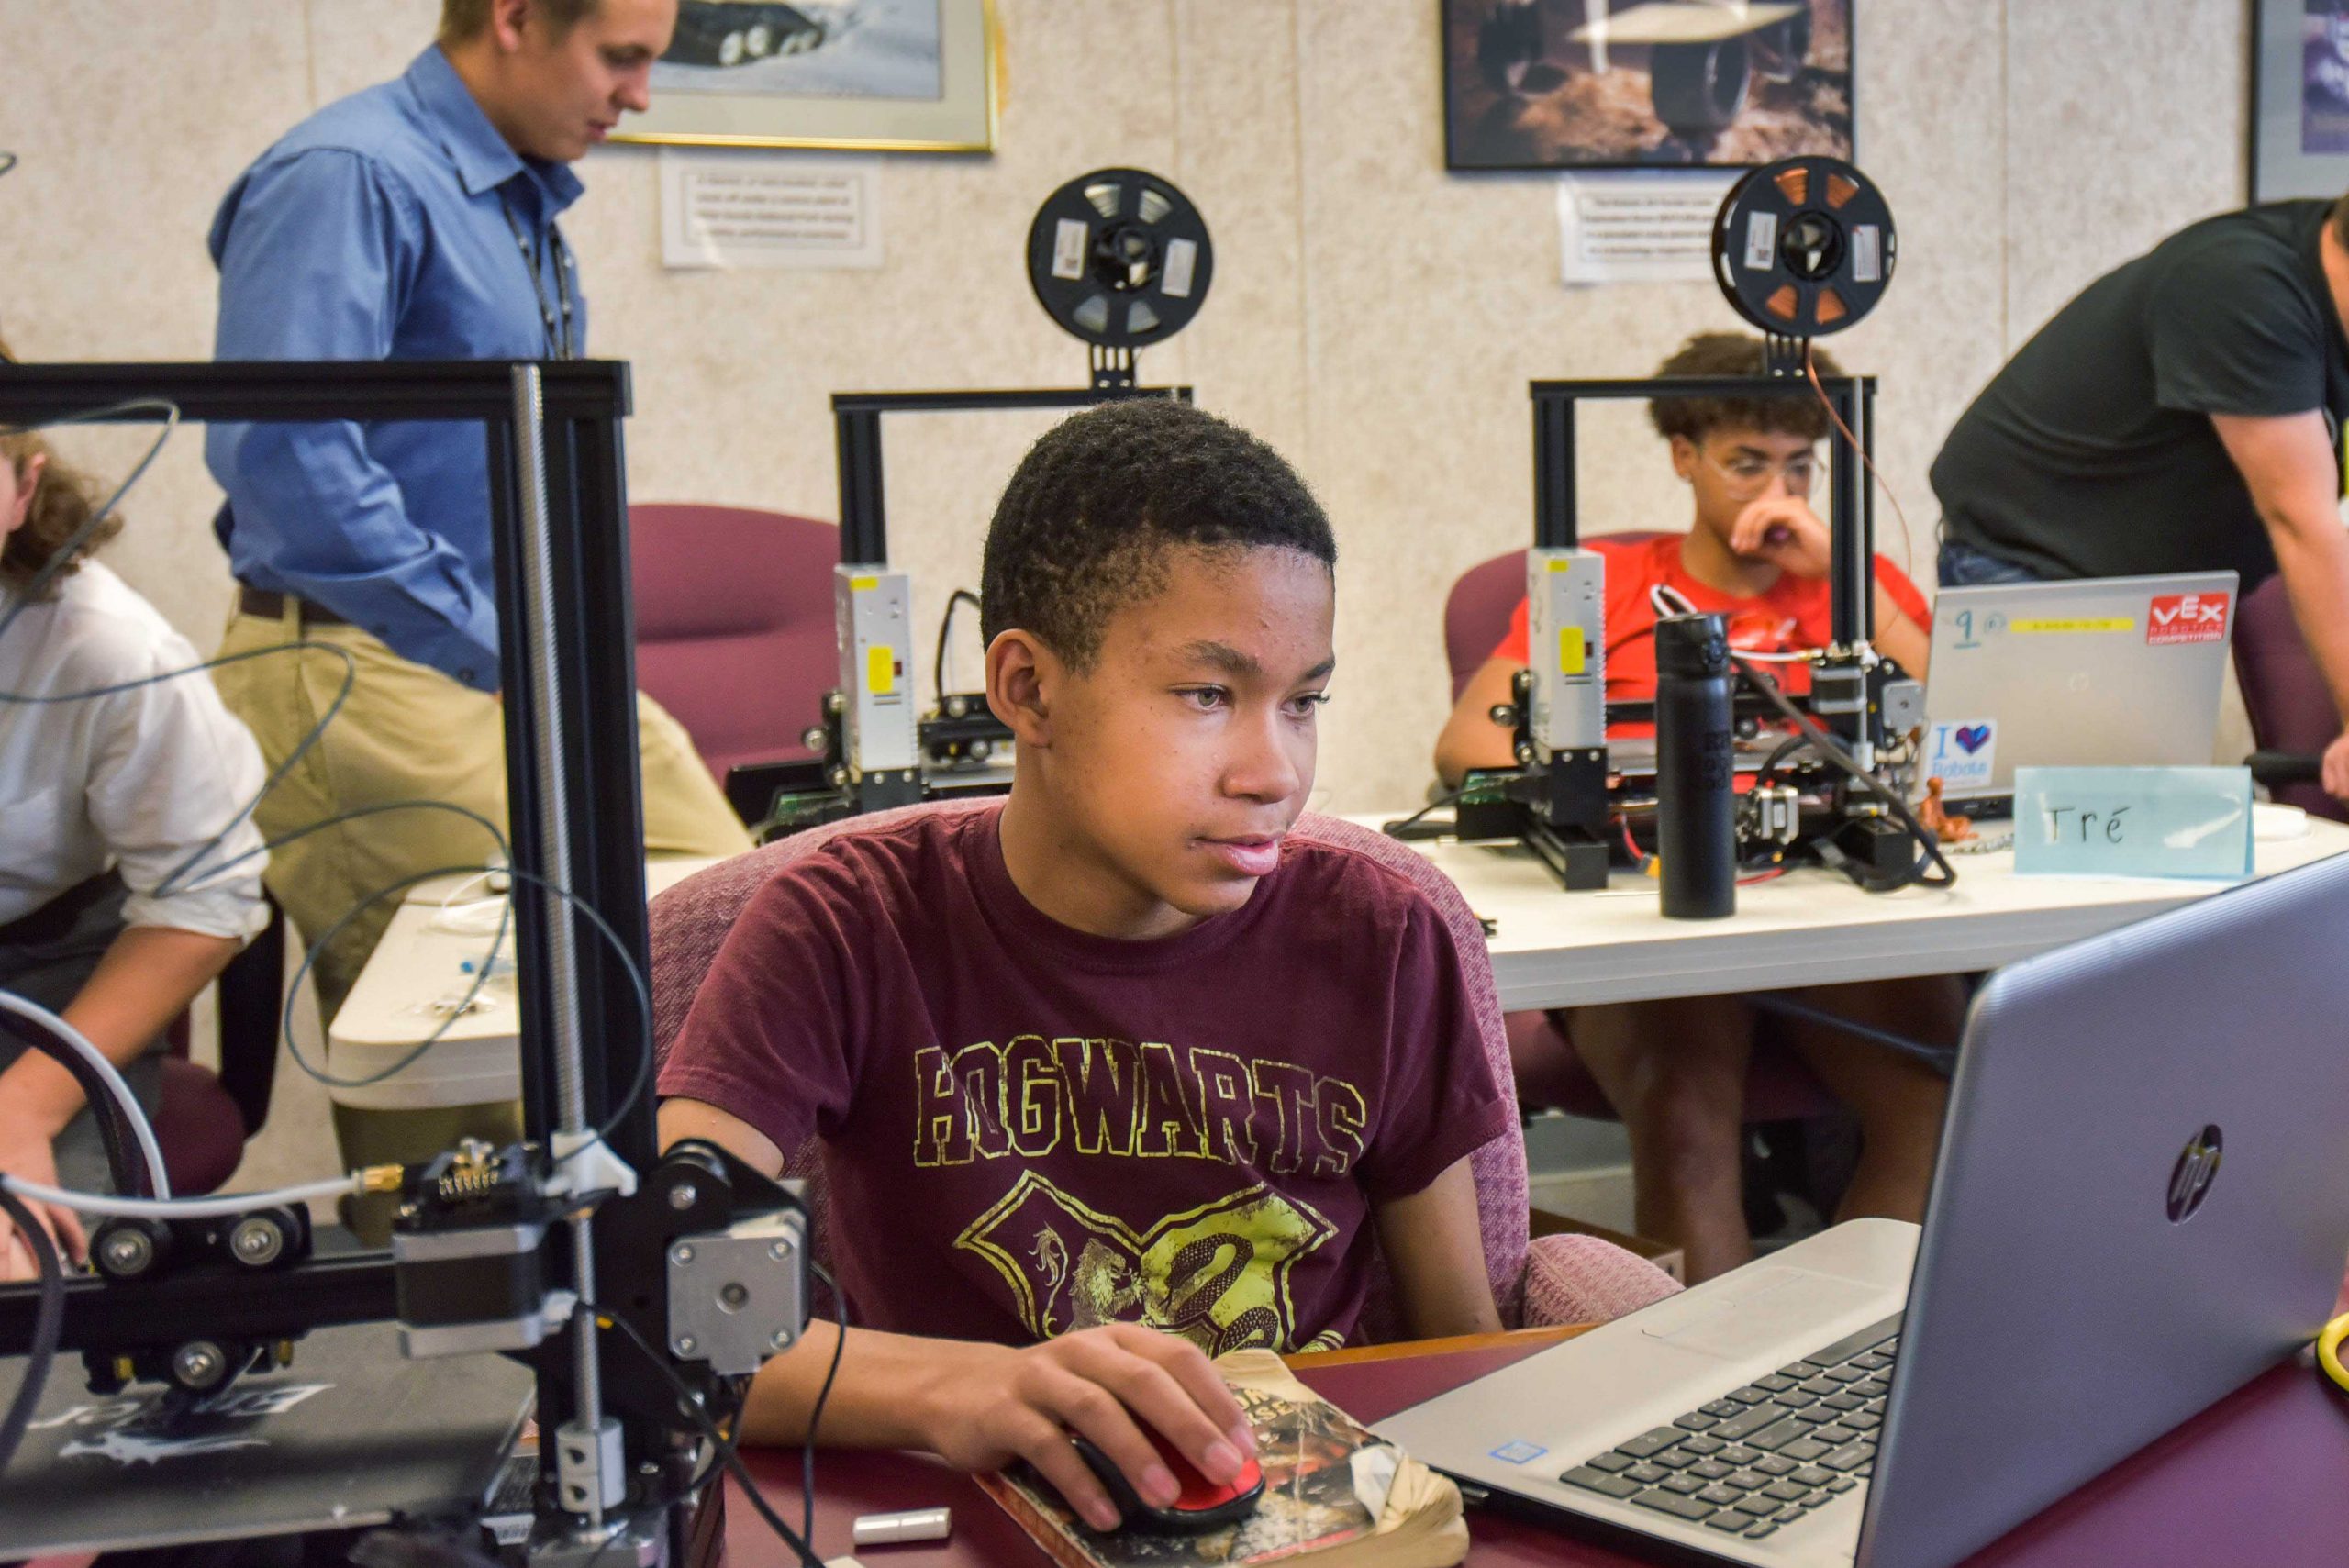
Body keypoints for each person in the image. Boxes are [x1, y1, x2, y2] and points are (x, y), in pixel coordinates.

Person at [657, 399, 1511, 1531]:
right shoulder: (846, 922)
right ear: (1027, 688)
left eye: (1302, 702)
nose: (1273, 769)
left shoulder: (1382, 933)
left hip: (1313, 1519)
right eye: (1208, 696)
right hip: (970, 1517)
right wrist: (973, 1386)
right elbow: (664, 1311)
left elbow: (1464, 1354)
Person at [201, 0, 750, 1199]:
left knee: (747, 947)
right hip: (374, 664)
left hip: (521, 655)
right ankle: (516, 1376)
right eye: (622, 57)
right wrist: (502, 648)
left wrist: (541, 654)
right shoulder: (349, 176)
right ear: (512, 19)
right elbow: (290, 466)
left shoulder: (513, 191)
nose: (640, 96)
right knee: (494, 1076)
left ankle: (697, 1337)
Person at [1435, 332, 1957, 1283]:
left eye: (1799, 466)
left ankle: (1847, 1368)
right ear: (1684, 456)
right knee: (1683, 1110)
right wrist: (1629, 780)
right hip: (1651, 897)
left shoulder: (1854, 584)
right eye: (1745, 463)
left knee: (1936, 1091)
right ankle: (1718, 1392)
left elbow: (1967, 723)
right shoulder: (1602, 580)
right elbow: (1466, 741)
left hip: (1817, 902)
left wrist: (1841, 567)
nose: (1775, 492)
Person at [1931, 193, 2349, 798]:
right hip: (2044, 566)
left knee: (2139, 824)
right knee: (2061, 824)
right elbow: (2300, 518)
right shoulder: (2242, 286)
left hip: (2164, 587)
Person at [0, 350, 270, 1280]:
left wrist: (26, 1108)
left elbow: (207, 899)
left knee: (21, 1262)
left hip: (45, 981)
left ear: (24, 486)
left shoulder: (107, 652)